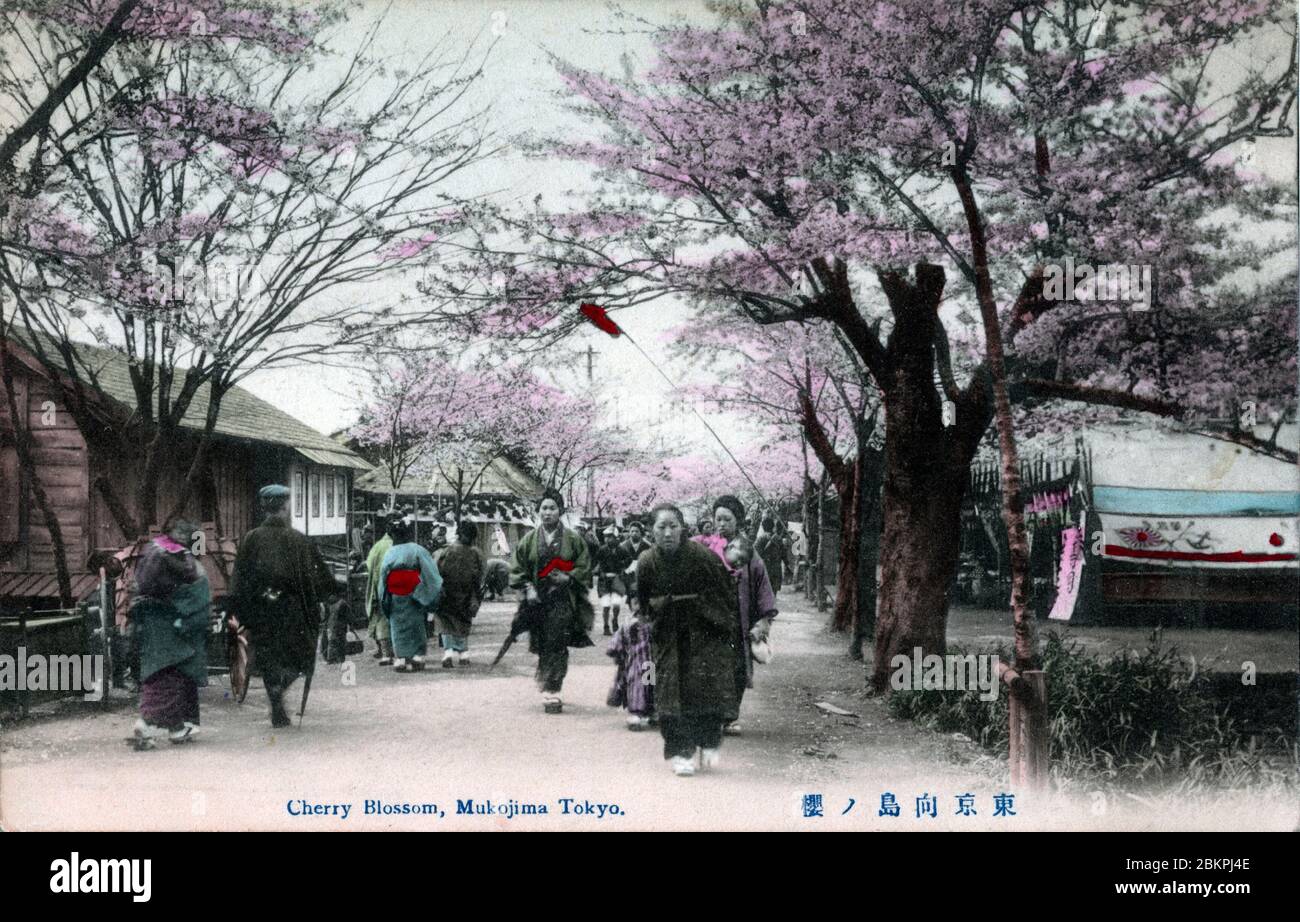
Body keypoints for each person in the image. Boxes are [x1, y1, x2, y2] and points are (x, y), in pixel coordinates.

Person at [636, 503, 739, 776]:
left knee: (704, 688)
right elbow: (642, 600)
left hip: (703, 630)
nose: (668, 533)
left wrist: (708, 613)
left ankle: (707, 741)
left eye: (673, 526)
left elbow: (725, 594)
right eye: (661, 527)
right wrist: (658, 610)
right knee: (669, 691)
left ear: (683, 529)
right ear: (651, 531)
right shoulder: (647, 561)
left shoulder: (704, 557)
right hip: (668, 631)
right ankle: (680, 751)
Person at [230, 484, 338, 728]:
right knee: (302, 656)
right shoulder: (298, 539)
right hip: (293, 611)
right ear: (285, 506)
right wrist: (331, 593)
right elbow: (319, 576)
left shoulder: (251, 538)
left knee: (268, 657)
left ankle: (275, 699)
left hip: (261, 610)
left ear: (265, 508)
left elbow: (240, 576)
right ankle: (280, 690)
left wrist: (240, 608)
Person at [693, 494, 778, 736]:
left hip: (738, 620)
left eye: (727, 519)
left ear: (737, 521)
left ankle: (730, 717)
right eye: (718, 518)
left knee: (736, 669)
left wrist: (764, 619)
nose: (721, 524)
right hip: (710, 618)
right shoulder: (706, 546)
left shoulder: (748, 551)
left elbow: (762, 583)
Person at [508, 488, 594, 714]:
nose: (547, 513)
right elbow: (518, 568)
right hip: (537, 601)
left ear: (561, 511)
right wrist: (527, 588)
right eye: (544, 508)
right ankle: (547, 681)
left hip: (563, 600)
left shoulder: (574, 540)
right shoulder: (528, 540)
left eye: (552, 508)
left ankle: (553, 689)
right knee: (543, 642)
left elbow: (584, 567)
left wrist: (569, 577)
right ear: (539, 511)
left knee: (557, 642)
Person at [129, 520, 210, 748]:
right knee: (170, 674)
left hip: (149, 618)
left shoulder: (153, 548)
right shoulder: (183, 558)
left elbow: (140, 585)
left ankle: (176, 729)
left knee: (166, 671)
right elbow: (197, 589)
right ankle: (144, 724)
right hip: (172, 620)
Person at [379, 517, 443, 672]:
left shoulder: (389, 553)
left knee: (397, 625)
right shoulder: (416, 549)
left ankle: (400, 659)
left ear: (393, 535)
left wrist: (383, 597)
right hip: (415, 591)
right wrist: (428, 594)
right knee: (416, 624)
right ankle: (417, 657)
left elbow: (383, 578)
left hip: (395, 594)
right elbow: (431, 572)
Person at [433, 521, 485, 668]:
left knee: (445, 623)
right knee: (464, 622)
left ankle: (448, 652)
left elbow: (437, 571)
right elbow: (480, 574)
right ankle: (463, 654)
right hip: (467, 593)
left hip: (447, 593)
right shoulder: (476, 553)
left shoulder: (446, 551)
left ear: (458, 534)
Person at [606, 605, 654, 731]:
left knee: (636, 687)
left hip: (633, 663)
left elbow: (614, 646)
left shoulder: (628, 623)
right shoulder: (654, 623)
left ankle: (636, 714)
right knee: (649, 686)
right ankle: (651, 712)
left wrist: (618, 655)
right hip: (651, 663)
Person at [364, 516, 396, 665]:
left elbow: (370, 565)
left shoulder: (378, 546)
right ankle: (397, 651)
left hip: (382, 587)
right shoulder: (400, 545)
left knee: (382, 620)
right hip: (400, 587)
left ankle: (386, 653)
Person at [594, 526, 630, 635]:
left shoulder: (622, 549)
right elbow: (597, 563)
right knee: (605, 605)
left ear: (616, 538)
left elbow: (628, 560)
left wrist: (622, 568)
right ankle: (605, 625)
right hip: (604, 580)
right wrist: (601, 572)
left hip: (617, 579)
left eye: (610, 537)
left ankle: (615, 620)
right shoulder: (602, 549)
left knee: (616, 603)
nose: (607, 539)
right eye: (606, 537)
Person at [755, 516, 785, 593]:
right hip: (776, 568)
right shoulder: (778, 538)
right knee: (773, 591)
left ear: (763, 527)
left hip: (764, 568)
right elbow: (783, 554)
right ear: (772, 526)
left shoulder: (760, 539)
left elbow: (755, 554)